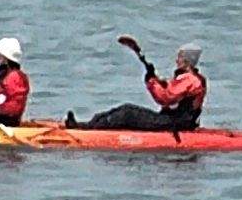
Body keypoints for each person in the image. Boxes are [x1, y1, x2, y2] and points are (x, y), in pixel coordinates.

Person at [75, 44, 207, 134]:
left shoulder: (190, 80)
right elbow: (169, 90)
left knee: (128, 112)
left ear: (186, 61)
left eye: (179, 57)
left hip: (175, 123)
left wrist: (151, 81)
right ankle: (88, 125)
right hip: (172, 120)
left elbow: (165, 98)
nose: (176, 60)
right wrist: (154, 79)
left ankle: (89, 129)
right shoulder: (188, 79)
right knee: (124, 109)